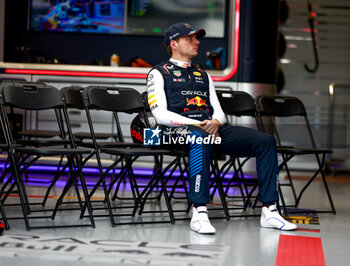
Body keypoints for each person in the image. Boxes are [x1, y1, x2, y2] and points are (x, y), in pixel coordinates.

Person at [146, 22, 297, 234]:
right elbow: (160, 115)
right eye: (190, 39)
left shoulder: (203, 75)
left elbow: (218, 112)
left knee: (266, 141)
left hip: (208, 129)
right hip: (172, 131)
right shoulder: (158, 73)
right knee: (201, 137)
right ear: (174, 44)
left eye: (196, 38)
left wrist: (216, 122)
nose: (196, 42)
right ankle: (199, 212)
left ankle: (270, 210)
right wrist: (198, 124)